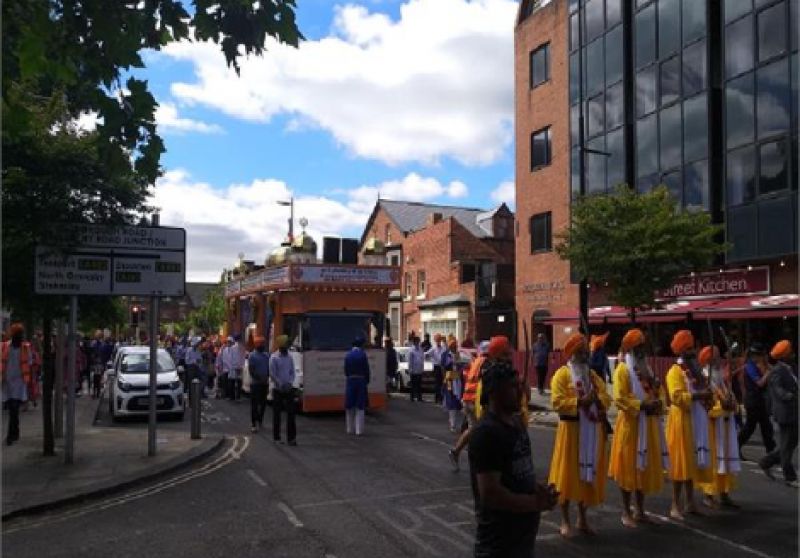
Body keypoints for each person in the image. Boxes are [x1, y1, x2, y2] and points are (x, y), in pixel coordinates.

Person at [469, 358, 558, 558]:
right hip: (498, 547)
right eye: (512, 387)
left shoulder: (517, 424)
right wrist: (535, 503)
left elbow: (519, 474)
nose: (521, 392)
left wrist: (539, 490)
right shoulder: (487, 433)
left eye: (520, 386)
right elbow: (491, 494)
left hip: (523, 543)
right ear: (493, 393)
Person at [548, 333, 610, 537]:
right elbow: (557, 402)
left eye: (586, 351)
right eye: (582, 352)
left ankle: (582, 519)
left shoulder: (592, 375)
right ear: (573, 354)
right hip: (571, 432)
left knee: (587, 476)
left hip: (591, 431)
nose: (586, 355)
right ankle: (565, 521)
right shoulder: (562, 375)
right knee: (567, 476)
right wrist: (580, 402)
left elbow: (605, 395)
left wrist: (600, 403)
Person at [608, 328, 669, 528]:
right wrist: (642, 405)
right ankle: (626, 511)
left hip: (648, 424)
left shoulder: (647, 370)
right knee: (628, 468)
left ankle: (640, 510)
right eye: (639, 347)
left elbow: (658, 393)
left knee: (643, 469)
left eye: (644, 346)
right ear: (631, 349)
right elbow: (620, 398)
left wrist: (659, 402)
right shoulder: (623, 370)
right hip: (630, 426)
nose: (642, 350)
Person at [665, 330, 714, 520]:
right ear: (682, 351)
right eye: (689, 349)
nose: (693, 352)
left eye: (693, 348)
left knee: (691, 463)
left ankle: (690, 502)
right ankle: (675, 505)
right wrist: (698, 396)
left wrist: (707, 394)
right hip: (681, 423)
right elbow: (676, 397)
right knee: (680, 465)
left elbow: (704, 391)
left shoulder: (697, 371)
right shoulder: (674, 372)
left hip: (697, 421)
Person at [697, 345, 741, 508]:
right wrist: (722, 408)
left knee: (726, 459)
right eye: (715, 357)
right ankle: (708, 494)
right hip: (712, 427)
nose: (719, 360)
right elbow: (705, 406)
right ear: (708, 360)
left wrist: (733, 405)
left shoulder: (720, 377)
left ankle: (724, 493)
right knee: (714, 460)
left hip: (726, 425)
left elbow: (731, 397)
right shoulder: (704, 378)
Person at [759, 340, 798, 487]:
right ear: (784, 356)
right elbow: (778, 390)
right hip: (785, 413)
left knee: (790, 443)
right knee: (787, 445)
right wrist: (791, 395)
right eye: (790, 352)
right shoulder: (777, 371)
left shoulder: (792, 368)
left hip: (794, 411)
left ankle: (766, 462)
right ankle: (790, 477)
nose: (793, 353)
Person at [450, 340, 490, 471]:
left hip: (468, 399)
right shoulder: (486, 363)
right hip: (475, 401)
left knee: (473, 429)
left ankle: (456, 452)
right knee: (485, 429)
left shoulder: (475, 361)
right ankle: (483, 459)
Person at [737, 342, 777, 460]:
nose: (760, 358)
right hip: (753, 401)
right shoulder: (750, 366)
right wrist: (768, 372)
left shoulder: (760, 365)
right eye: (759, 355)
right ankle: (736, 446)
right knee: (750, 427)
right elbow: (760, 383)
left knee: (766, 427)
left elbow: (773, 372)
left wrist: (767, 366)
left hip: (760, 401)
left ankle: (771, 452)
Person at [1, 324, 33, 445]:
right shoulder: (4, 346)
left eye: (21, 334)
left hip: (19, 383)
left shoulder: (25, 348)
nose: (20, 336)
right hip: (7, 382)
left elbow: (29, 362)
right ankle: (15, 432)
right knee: (12, 409)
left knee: (13, 408)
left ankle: (11, 435)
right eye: (18, 334)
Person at [269, 335, 297, 445]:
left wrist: (290, 383)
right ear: (281, 346)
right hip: (278, 389)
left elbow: (292, 372)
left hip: (288, 388)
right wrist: (280, 384)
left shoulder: (289, 357)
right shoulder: (274, 357)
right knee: (277, 414)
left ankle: (291, 438)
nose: (287, 348)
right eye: (285, 346)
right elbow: (272, 374)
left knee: (291, 414)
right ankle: (277, 437)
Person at [344, 335, 371, 436]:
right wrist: (366, 380)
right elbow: (366, 369)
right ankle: (359, 430)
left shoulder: (348, 355)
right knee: (360, 406)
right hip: (360, 380)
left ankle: (349, 428)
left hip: (351, 380)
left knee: (349, 405)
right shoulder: (362, 355)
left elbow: (345, 370)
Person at [248, 336, 270, 433]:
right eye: (260, 344)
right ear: (256, 345)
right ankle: (253, 424)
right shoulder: (252, 356)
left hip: (264, 383)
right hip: (255, 384)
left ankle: (260, 420)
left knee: (263, 404)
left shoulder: (266, 356)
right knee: (254, 405)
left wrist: (267, 377)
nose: (262, 345)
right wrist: (259, 378)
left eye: (263, 343)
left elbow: (269, 368)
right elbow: (251, 370)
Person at [443, 340, 463, 433]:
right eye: (453, 346)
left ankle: (453, 422)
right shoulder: (446, 354)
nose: (455, 348)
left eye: (456, 346)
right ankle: (452, 424)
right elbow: (444, 365)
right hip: (449, 379)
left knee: (457, 400)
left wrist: (460, 365)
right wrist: (452, 361)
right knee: (451, 400)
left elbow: (460, 366)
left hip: (457, 379)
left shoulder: (458, 354)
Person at [428, 334, 447, 405]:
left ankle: (441, 398)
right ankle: (437, 398)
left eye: (439, 340)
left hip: (442, 367)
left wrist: (445, 341)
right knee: (437, 383)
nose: (438, 342)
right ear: (435, 341)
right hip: (436, 367)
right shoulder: (433, 348)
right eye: (437, 340)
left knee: (442, 382)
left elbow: (447, 351)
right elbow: (427, 354)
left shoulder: (443, 348)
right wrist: (431, 359)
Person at [227, 334, 246, 401]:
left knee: (232, 382)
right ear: (240, 339)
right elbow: (243, 358)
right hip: (239, 367)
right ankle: (238, 397)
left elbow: (230, 358)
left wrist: (231, 367)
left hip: (233, 367)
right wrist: (241, 366)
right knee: (239, 382)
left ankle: (232, 397)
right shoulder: (243, 347)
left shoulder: (232, 348)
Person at [408, 336, 425, 402]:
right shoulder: (411, 350)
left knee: (419, 385)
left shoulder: (421, 349)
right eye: (417, 341)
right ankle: (412, 397)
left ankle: (419, 398)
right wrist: (410, 369)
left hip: (419, 369)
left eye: (418, 341)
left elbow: (422, 359)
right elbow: (410, 361)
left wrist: (422, 368)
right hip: (413, 370)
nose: (418, 342)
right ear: (414, 342)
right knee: (413, 384)